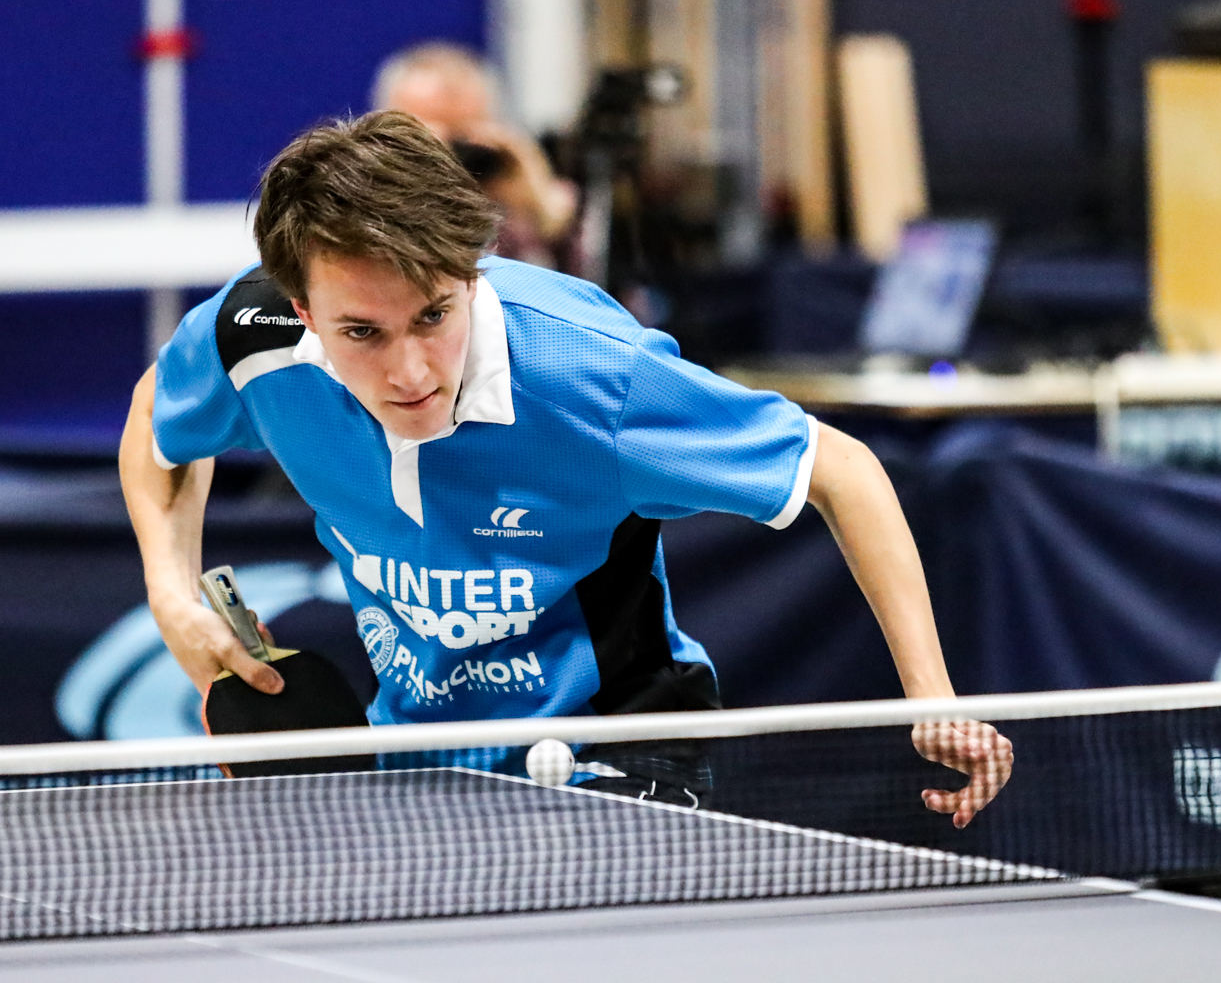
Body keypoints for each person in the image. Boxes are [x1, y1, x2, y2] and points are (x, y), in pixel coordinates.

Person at [118, 112, 1011, 827]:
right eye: (363, 333)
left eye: (432, 316)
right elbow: (157, 415)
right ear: (305, 309)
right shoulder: (254, 340)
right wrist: (171, 594)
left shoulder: (592, 373)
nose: (410, 371)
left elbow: (840, 468)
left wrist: (930, 699)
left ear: (471, 273)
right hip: (420, 750)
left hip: (616, 743)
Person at [372, 42, 577, 270]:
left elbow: (583, 279)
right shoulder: (361, 200)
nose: (452, 156)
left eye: (463, 138)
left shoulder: (510, 196)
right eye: (428, 135)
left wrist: (539, 205)